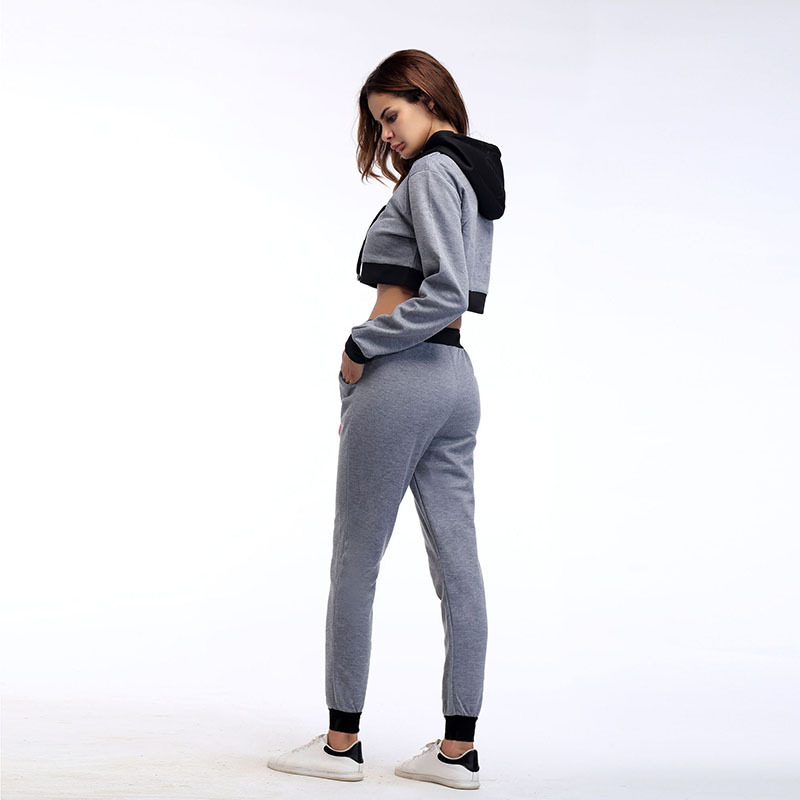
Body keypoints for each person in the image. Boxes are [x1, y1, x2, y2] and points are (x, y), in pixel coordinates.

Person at [267, 48, 505, 790]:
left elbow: (446, 292)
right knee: (458, 564)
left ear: (428, 98)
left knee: (356, 559)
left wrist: (358, 348)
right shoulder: (472, 175)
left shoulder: (432, 171)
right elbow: (462, 297)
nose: (386, 135)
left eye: (391, 116)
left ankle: (340, 743)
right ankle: (457, 751)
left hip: (401, 376)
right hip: (456, 381)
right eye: (377, 124)